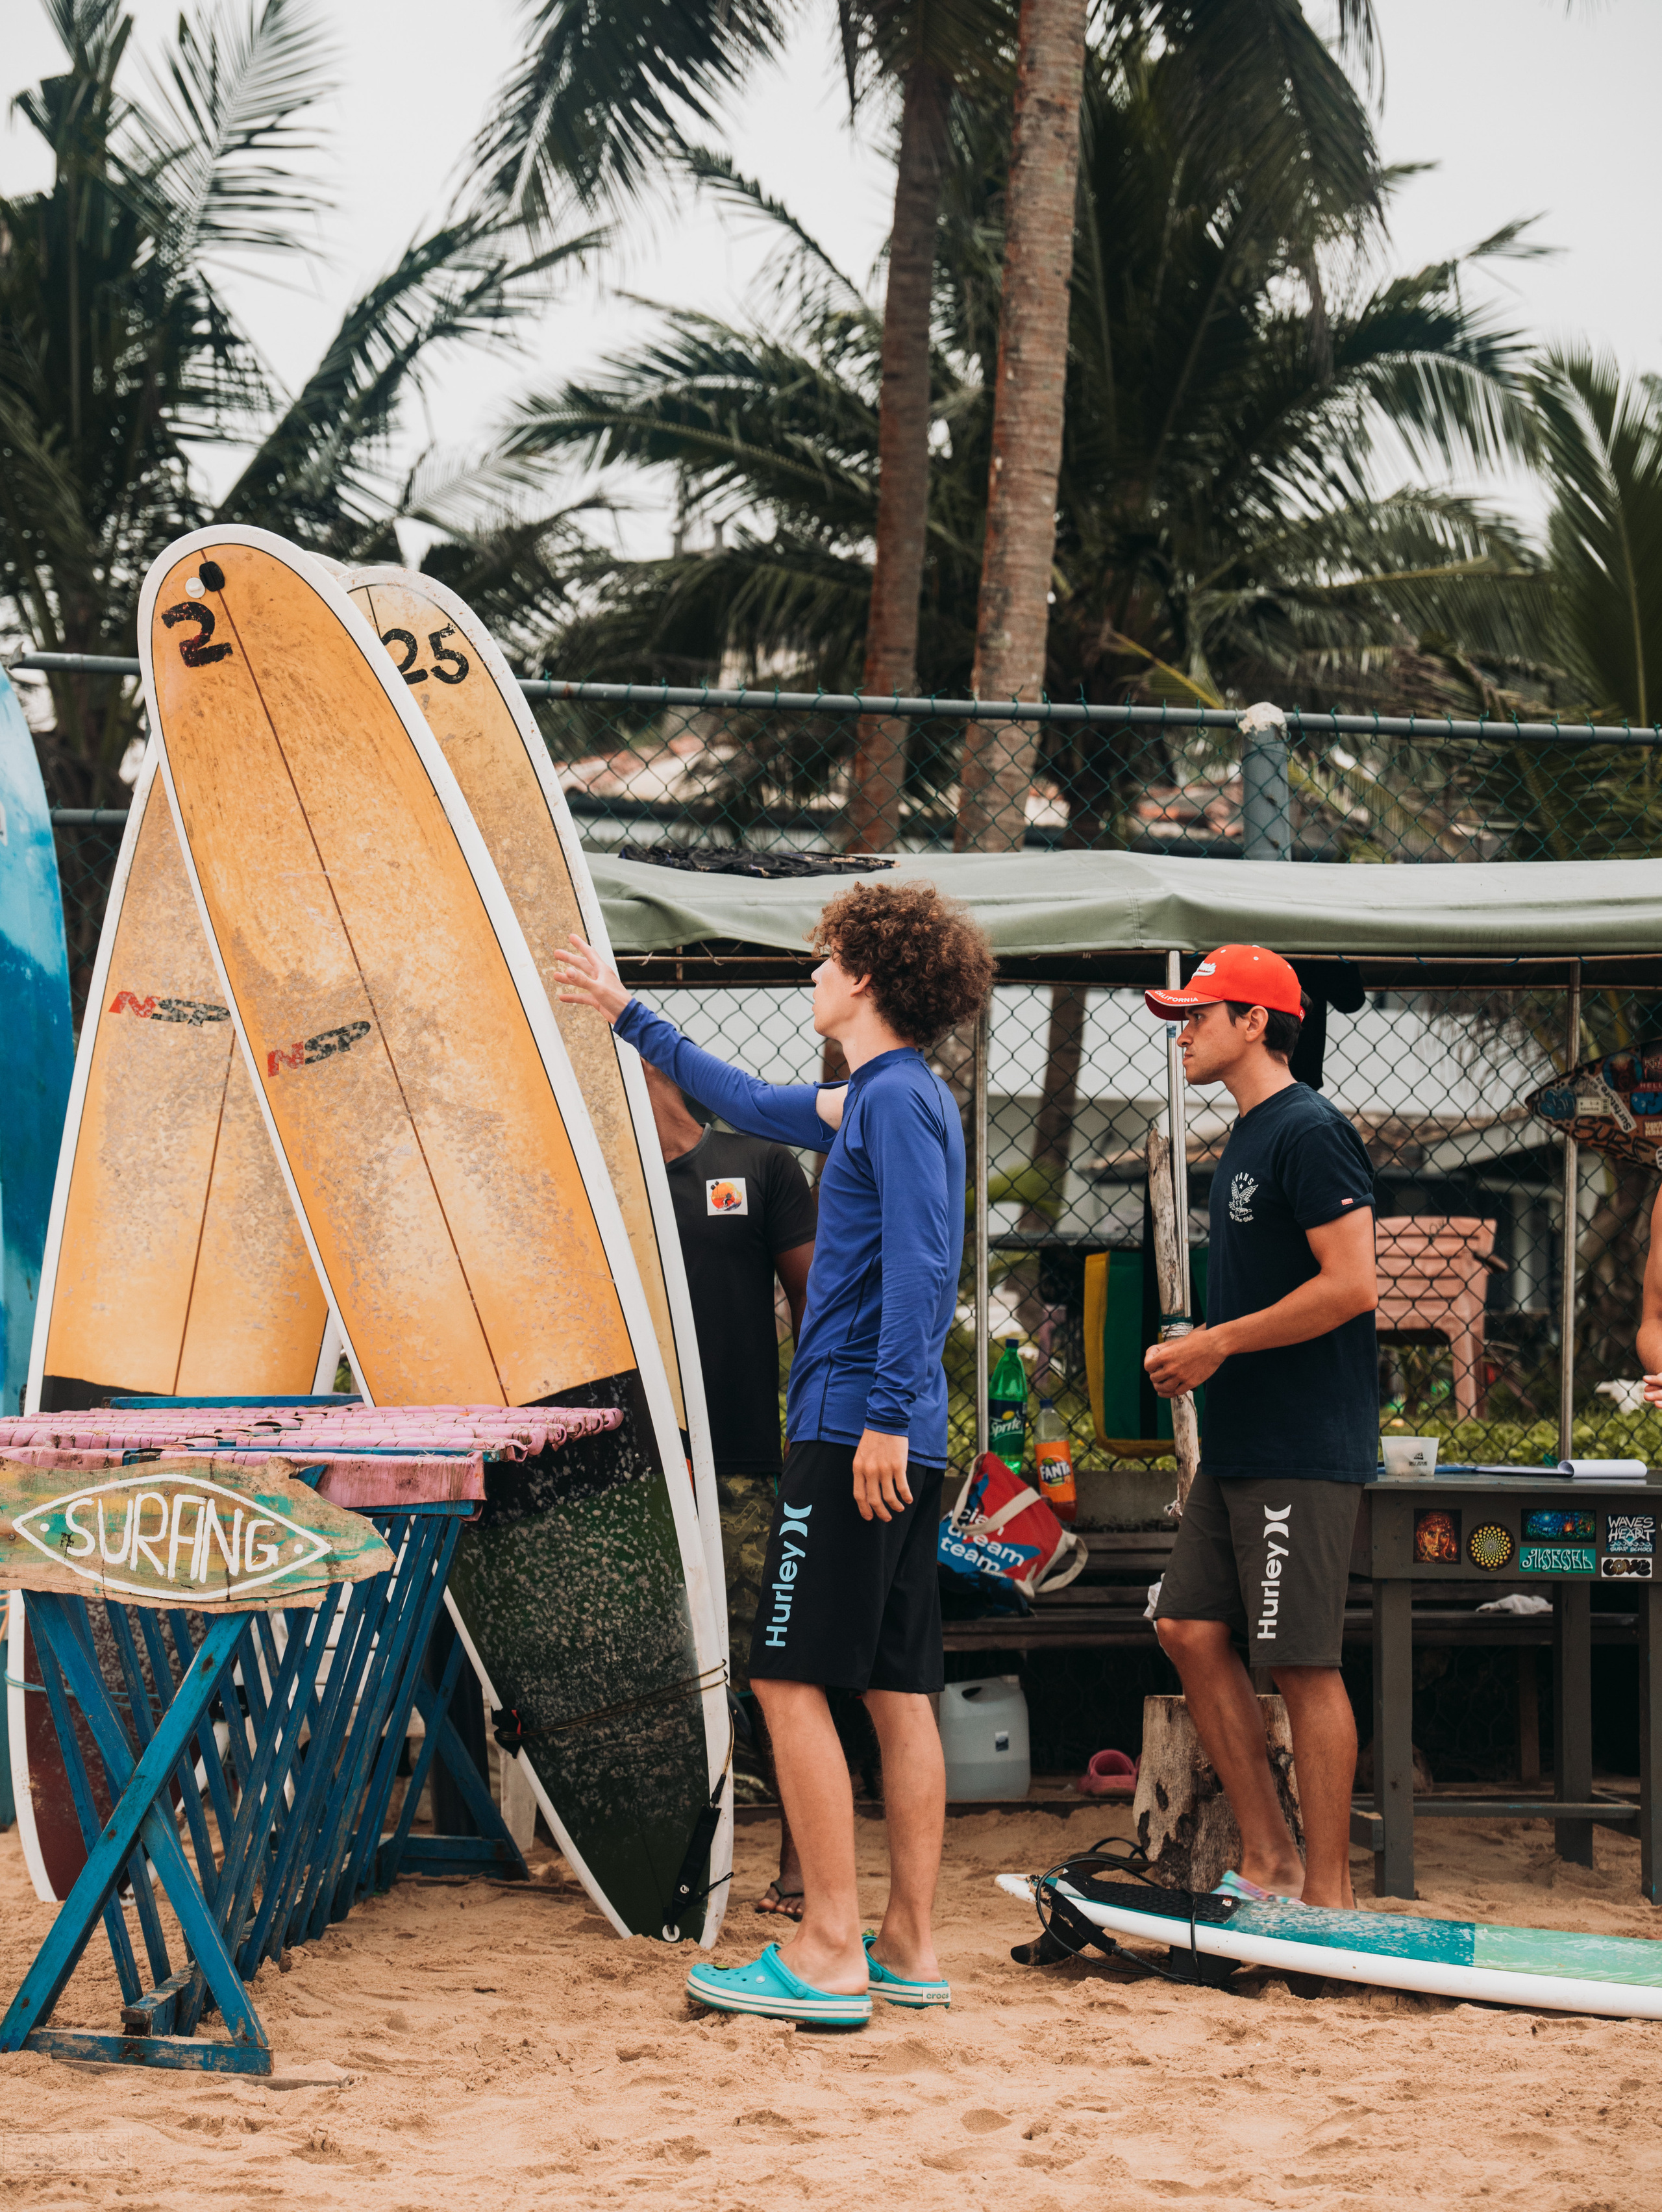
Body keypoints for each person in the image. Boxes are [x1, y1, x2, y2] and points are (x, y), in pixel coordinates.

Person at [557, 880, 994, 2026]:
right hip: (886, 1427)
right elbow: (745, 1096)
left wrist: (889, 1413)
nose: (810, 975)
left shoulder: (893, 1103)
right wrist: (625, 1013)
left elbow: (921, 1265)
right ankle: (904, 1944)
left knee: (786, 1677)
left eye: (822, 960)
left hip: (859, 1428)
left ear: (864, 979)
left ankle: (827, 1952)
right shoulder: (880, 1096)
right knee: (898, 1691)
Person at [1142, 943, 1378, 1911]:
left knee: (1300, 1662)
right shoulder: (1246, 1132)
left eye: (1197, 1015)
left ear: (1254, 1022)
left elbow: (1353, 1285)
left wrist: (1217, 1344)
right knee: (1188, 1626)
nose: (1182, 1032)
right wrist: (1209, 1351)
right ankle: (1272, 1856)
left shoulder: (1309, 1128)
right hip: (1241, 1443)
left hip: (1299, 1442)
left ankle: (1327, 1895)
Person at [637, 1056, 817, 1920]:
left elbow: (815, 1306)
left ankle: (799, 1870)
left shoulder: (756, 1166)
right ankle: (664, 1870)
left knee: (777, 1664)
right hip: (636, 1471)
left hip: (744, 1466)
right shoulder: (600, 1189)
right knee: (655, 1672)